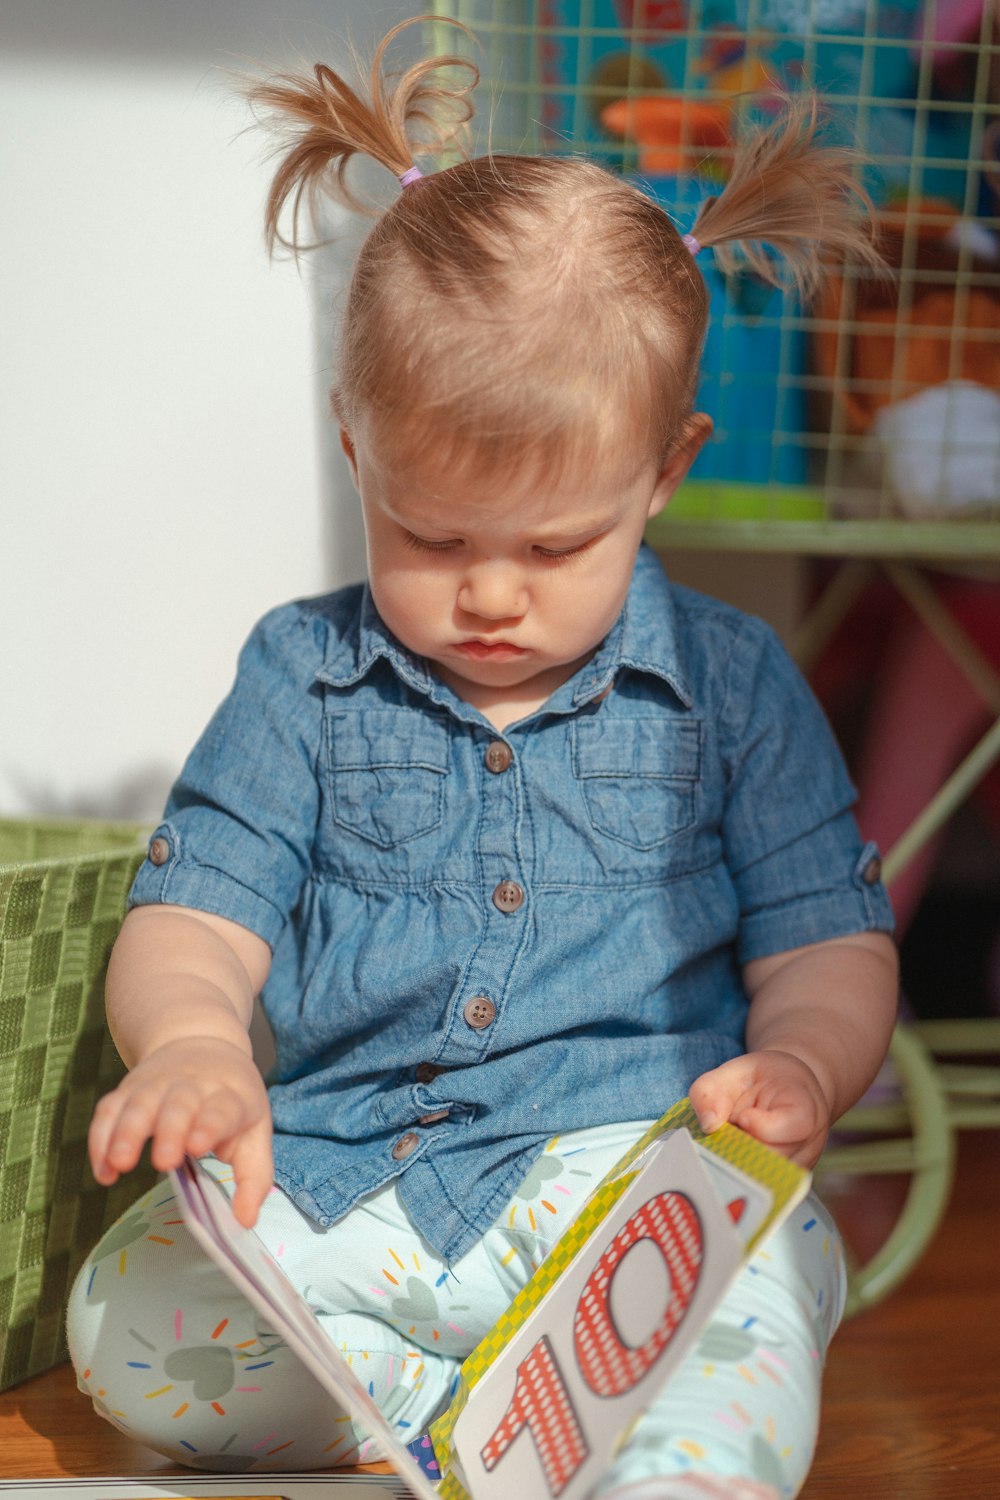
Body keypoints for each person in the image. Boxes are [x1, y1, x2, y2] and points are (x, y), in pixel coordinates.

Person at [67, 19, 897, 1499]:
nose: (492, 593)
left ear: (666, 470)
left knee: (745, 1321)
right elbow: (198, 912)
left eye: (557, 543)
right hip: (351, 1176)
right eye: (431, 536)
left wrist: (804, 1070)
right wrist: (194, 1043)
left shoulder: (734, 685)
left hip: (627, 1187)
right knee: (130, 1335)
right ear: (355, 445)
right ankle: (440, 1408)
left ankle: (624, 1417)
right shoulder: (301, 673)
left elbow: (827, 943)